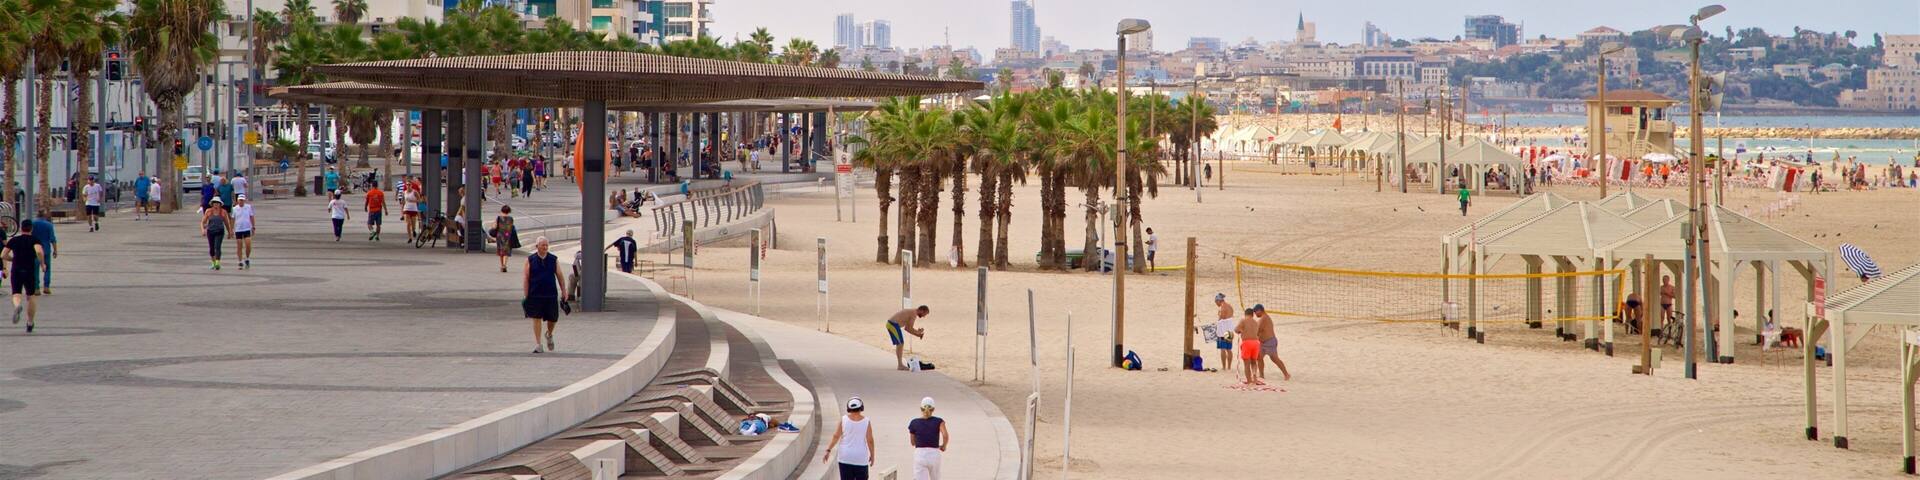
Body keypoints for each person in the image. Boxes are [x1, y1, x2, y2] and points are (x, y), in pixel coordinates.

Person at [523, 236, 567, 353]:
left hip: (550, 294)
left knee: (553, 318)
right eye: (543, 245)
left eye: (547, 245)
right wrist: (526, 295)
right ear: (537, 246)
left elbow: (560, 277)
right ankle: (538, 344)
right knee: (536, 318)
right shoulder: (530, 260)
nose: (545, 247)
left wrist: (564, 291)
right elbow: (526, 278)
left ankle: (549, 334)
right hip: (535, 294)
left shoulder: (553, 259)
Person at [6, 220, 45, 332]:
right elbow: (39, 252)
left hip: (16, 270)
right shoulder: (34, 240)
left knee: (16, 293)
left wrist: (12, 259)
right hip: (29, 270)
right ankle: (30, 322)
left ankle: (17, 305)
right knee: (31, 296)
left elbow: (3, 254)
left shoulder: (14, 240)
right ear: (31, 229)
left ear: (21, 228)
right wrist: (42, 264)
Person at [823, 397, 875, 480]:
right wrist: (872, 455)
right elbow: (870, 441)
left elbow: (836, 436)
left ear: (849, 408)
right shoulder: (866, 421)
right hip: (860, 458)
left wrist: (828, 450)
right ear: (861, 407)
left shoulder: (843, 420)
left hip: (845, 457)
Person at [908, 396, 949, 480]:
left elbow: (912, 442)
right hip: (934, 454)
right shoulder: (939, 421)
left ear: (921, 408)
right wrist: (944, 446)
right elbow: (945, 435)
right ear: (933, 409)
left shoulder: (914, 422)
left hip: (920, 454)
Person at [1252, 305, 1292, 381]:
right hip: (1262, 342)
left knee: (1275, 359)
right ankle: (1261, 375)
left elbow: (1257, 330)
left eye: (1255, 311)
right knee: (1259, 358)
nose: (1255, 313)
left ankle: (1286, 374)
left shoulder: (1264, 318)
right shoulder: (1262, 318)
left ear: (1260, 310)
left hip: (1269, 342)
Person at [888, 306, 930, 370]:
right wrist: (918, 332)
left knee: (900, 344)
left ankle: (900, 365)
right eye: (924, 314)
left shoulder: (912, 312)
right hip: (893, 325)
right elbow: (909, 328)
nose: (924, 316)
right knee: (900, 344)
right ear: (922, 310)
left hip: (892, 324)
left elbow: (907, 328)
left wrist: (918, 334)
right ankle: (900, 365)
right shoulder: (913, 314)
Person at [1208, 293, 1237, 373]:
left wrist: (1218, 317)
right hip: (1230, 328)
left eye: (1216, 302)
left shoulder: (1223, 307)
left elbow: (1222, 318)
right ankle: (1229, 367)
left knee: (1223, 349)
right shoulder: (1230, 306)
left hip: (1224, 329)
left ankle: (1224, 367)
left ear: (1218, 300)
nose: (1216, 304)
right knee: (1229, 349)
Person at [1234, 307, 1263, 385]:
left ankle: (1249, 380)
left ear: (1245, 314)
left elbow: (1236, 329)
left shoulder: (1243, 320)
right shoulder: (1256, 322)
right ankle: (1255, 378)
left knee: (1247, 363)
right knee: (1254, 362)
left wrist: (1240, 331)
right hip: (1256, 343)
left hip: (1247, 343)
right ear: (1252, 315)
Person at [202, 197, 232, 270]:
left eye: (217, 203)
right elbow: (203, 222)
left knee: (217, 246)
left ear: (220, 204)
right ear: (212, 204)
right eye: (214, 203)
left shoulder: (223, 212)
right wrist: (203, 229)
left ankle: (218, 262)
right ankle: (213, 262)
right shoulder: (208, 211)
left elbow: (226, 223)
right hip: (210, 231)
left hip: (220, 231)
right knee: (211, 248)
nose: (216, 204)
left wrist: (229, 232)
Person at [28, 213, 54, 295]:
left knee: (35, 269)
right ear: (45, 216)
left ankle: (36, 288)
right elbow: (53, 239)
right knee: (47, 268)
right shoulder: (49, 225)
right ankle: (46, 287)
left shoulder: (32, 223)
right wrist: (55, 250)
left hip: (34, 250)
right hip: (46, 249)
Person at [232, 195, 257, 269]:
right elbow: (232, 219)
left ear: (244, 200)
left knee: (248, 245)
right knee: (239, 245)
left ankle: (247, 258)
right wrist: (231, 229)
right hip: (238, 229)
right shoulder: (234, 209)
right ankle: (240, 261)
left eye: (242, 200)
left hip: (246, 228)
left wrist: (253, 227)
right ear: (237, 201)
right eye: (240, 200)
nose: (241, 201)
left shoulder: (248, 207)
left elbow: (251, 216)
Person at [493, 205, 519, 272]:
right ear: (509, 211)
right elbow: (511, 227)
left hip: (499, 235)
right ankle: (504, 264)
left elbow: (494, 227)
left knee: (501, 250)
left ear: (502, 210)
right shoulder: (511, 218)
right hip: (507, 236)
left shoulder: (498, 218)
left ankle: (502, 265)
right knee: (506, 251)